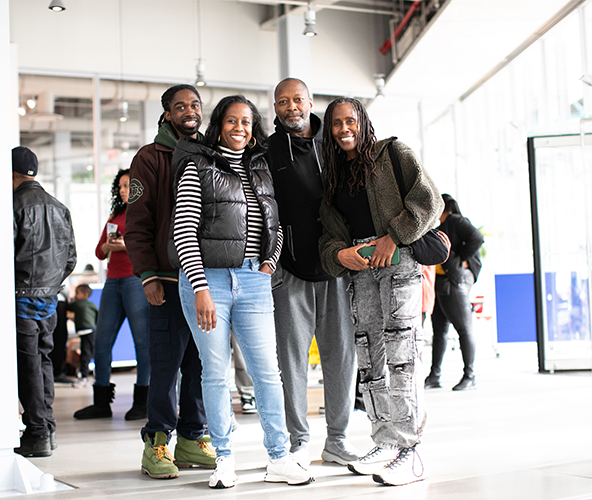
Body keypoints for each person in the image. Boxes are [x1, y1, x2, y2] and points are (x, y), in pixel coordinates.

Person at [171, 95, 312, 489]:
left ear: (254, 129)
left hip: (253, 280)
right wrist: (199, 287)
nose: (239, 128)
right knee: (215, 374)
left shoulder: (262, 168)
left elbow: (276, 223)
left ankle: (279, 457)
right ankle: (225, 460)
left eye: (246, 123)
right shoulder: (197, 165)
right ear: (219, 125)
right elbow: (183, 228)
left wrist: (269, 263)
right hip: (208, 281)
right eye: (231, 121)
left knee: (268, 373)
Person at [318, 98, 442, 486]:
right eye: (336, 123)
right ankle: (385, 440)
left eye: (349, 120)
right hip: (363, 271)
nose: (343, 128)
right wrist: (342, 254)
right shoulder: (335, 174)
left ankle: (410, 451)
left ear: (362, 121)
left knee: (401, 356)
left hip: (400, 261)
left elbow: (429, 201)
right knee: (370, 358)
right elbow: (329, 233)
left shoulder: (393, 153)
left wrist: (394, 236)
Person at [125, 85, 216, 479]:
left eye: (194, 105)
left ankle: (193, 439)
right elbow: (138, 223)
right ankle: (157, 441)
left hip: (206, 284)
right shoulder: (149, 157)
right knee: (166, 364)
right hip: (165, 277)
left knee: (201, 364)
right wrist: (147, 275)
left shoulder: (210, 151)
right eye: (180, 107)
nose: (189, 111)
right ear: (166, 114)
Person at [266, 78, 358, 467]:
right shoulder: (267, 150)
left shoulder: (335, 144)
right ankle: (298, 441)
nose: (291, 107)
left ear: (309, 102)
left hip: (338, 269)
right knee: (292, 362)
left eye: (298, 99)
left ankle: (337, 439)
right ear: (275, 106)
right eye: (283, 101)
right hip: (291, 272)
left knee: (342, 358)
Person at [12, 146, 77, 457]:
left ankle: (37, 432)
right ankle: (48, 429)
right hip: (50, 299)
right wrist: (50, 285)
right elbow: (71, 259)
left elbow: (4, 256)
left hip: (20, 297)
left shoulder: (13, 206)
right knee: (45, 361)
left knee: (28, 366)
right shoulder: (59, 207)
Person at [74, 169, 151, 421]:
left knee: (143, 343)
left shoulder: (144, 213)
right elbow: (99, 251)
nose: (123, 190)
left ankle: (143, 402)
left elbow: (150, 248)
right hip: (112, 283)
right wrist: (109, 245)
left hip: (134, 281)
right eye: (120, 186)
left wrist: (125, 245)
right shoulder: (115, 215)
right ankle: (101, 403)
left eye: (128, 185)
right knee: (102, 342)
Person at [424, 194, 483, 391]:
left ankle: (470, 375)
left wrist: (460, 259)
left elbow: (477, 237)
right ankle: (435, 376)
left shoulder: (455, 221)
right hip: (441, 283)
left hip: (454, 281)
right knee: (439, 331)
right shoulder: (438, 226)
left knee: (464, 328)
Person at [66, 284, 98, 381]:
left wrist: (69, 299)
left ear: (84, 295)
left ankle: (83, 375)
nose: (75, 295)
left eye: (77, 293)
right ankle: (98, 373)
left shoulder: (77, 304)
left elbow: (68, 306)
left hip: (85, 331)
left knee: (85, 353)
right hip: (93, 331)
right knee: (93, 352)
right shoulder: (92, 305)